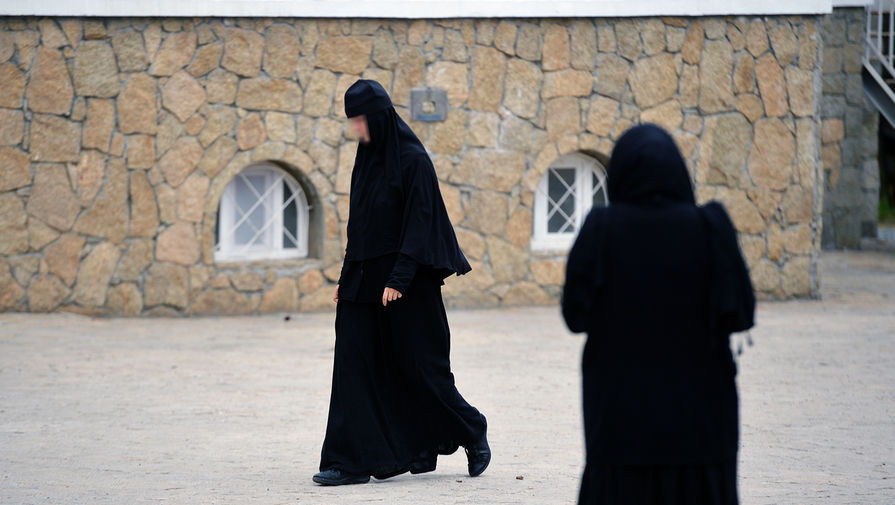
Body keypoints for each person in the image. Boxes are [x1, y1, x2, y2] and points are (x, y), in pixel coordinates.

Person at [562, 124, 755, 505]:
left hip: (621, 426)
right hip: (701, 427)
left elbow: (575, 317)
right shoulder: (710, 226)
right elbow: (741, 315)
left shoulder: (602, 229)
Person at [313, 80, 490, 486]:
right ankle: (349, 461)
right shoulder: (366, 160)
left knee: (421, 371)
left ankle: (471, 429)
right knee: (353, 369)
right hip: (363, 283)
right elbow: (360, 225)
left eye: (360, 120)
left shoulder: (414, 161)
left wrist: (399, 279)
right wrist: (347, 277)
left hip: (406, 286)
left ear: (378, 117)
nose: (356, 128)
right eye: (352, 121)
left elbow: (421, 223)